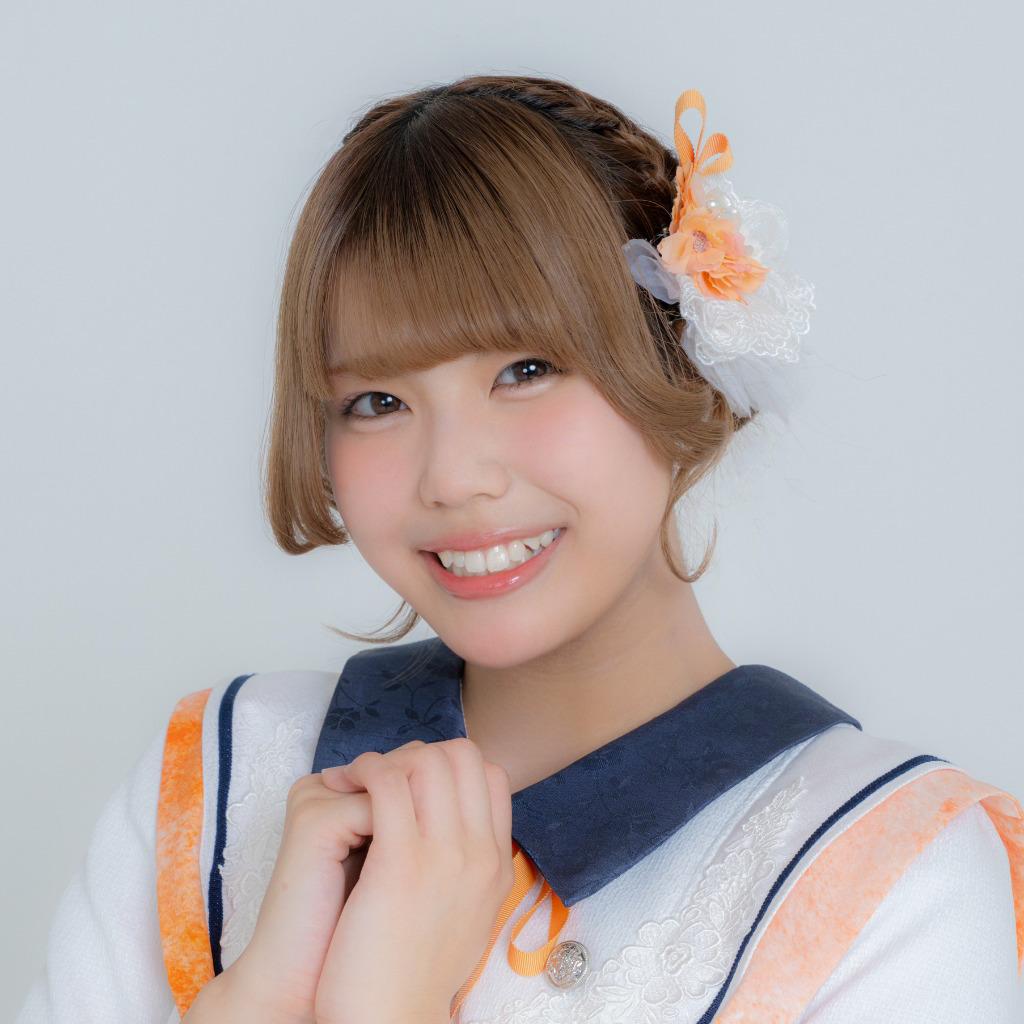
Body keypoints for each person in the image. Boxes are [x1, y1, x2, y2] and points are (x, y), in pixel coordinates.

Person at [15, 74, 1024, 1024]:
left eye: (527, 369)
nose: (453, 476)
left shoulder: (885, 868)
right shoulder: (227, 773)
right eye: (377, 401)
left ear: (681, 364)